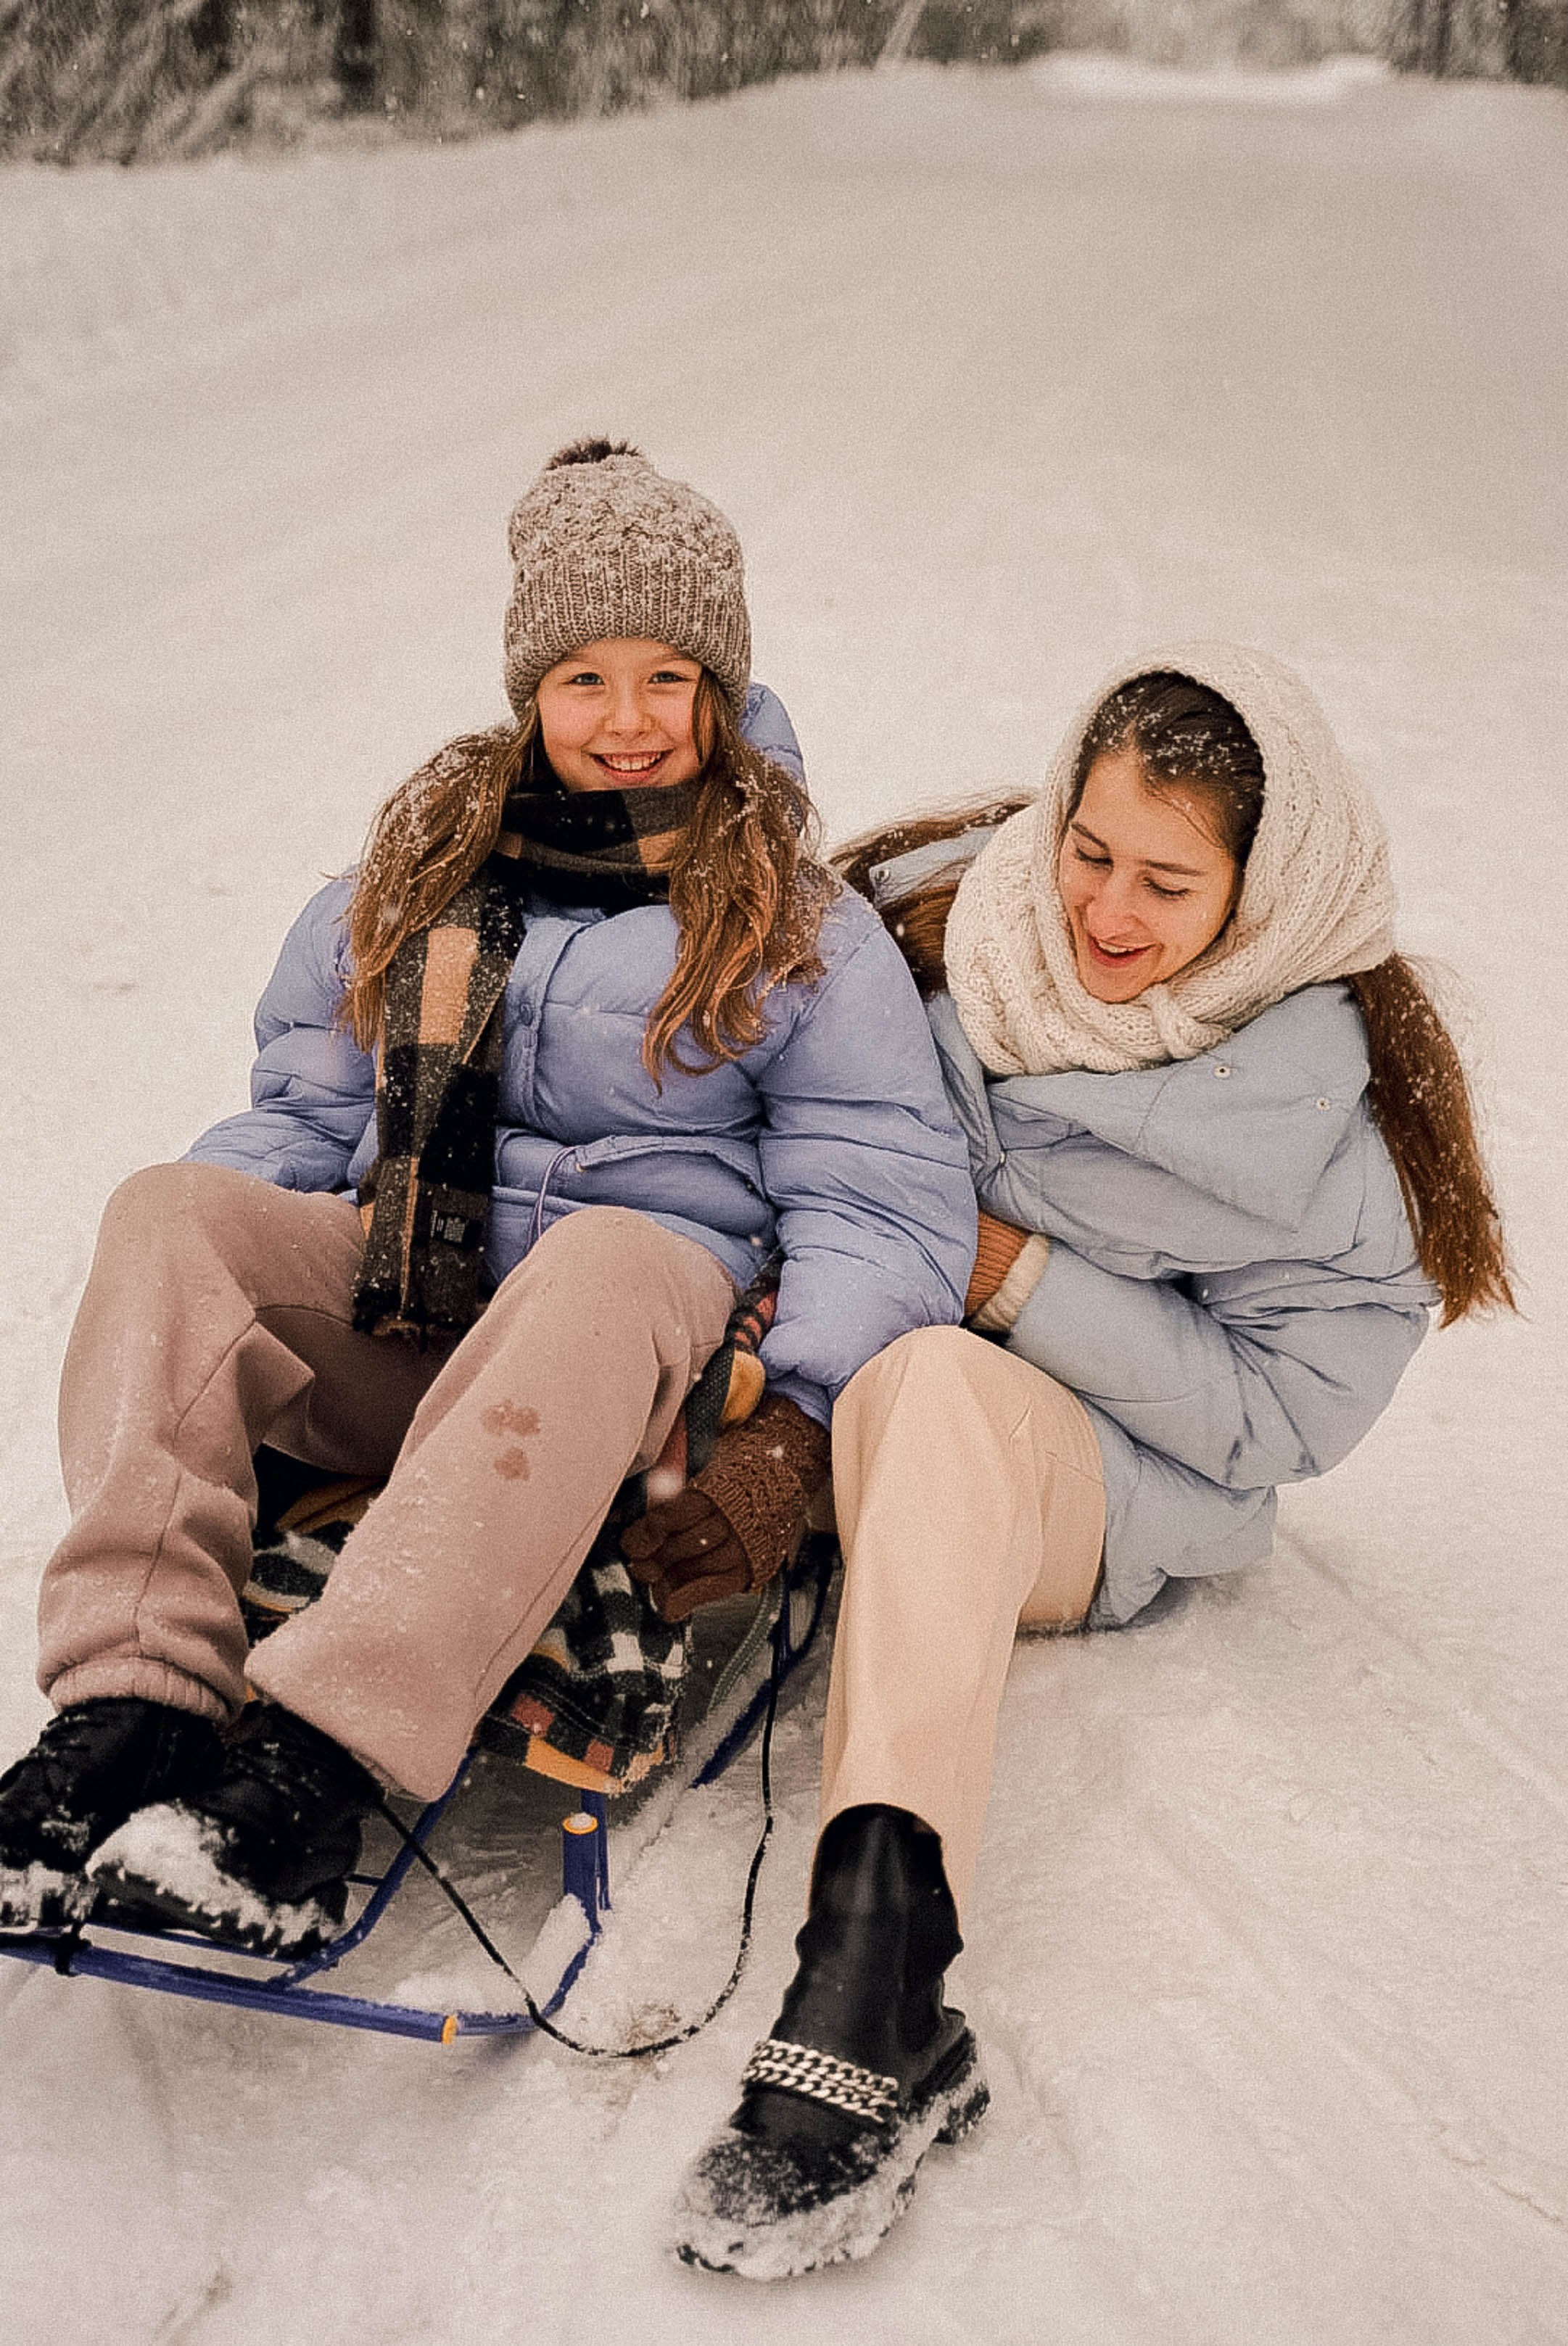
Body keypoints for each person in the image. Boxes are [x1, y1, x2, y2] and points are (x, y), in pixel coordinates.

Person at [0, 438, 975, 1956]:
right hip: (421, 1319)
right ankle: (131, 1708)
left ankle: (314, 1766)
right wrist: (218, 1329)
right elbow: (306, 1122)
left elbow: (879, 1201)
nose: (629, 720)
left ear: (719, 691)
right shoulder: (416, 872)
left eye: (668, 677)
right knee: (169, 1210)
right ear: (530, 691)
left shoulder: (795, 920)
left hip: (639, 1376)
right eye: (584, 678)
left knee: (601, 1258)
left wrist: (793, 1426)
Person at [667, 643, 1514, 2279]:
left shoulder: (1326, 1134)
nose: (1104, 913)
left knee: (934, 1391)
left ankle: (879, 1976)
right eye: (1089, 851)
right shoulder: (936, 919)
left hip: (1087, 1478)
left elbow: (1283, 1422)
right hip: (844, 1381)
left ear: (1261, 898)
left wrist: (1014, 1276)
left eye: (1169, 885)